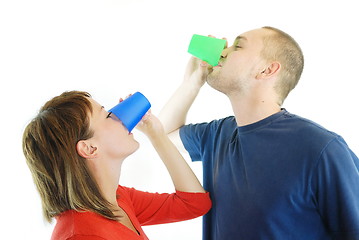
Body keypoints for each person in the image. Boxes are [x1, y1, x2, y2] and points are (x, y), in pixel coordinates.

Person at [159, 26, 359, 239]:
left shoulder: (321, 148)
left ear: (267, 70)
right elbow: (162, 134)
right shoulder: (218, 134)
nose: (222, 52)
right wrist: (192, 82)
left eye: (238, 46)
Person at [22, 91, 211, 240]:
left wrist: (156, 134)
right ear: (89, 148)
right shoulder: (82, 236)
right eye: (108, 115)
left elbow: (194, 204)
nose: (121, 117)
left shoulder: (117, 199)